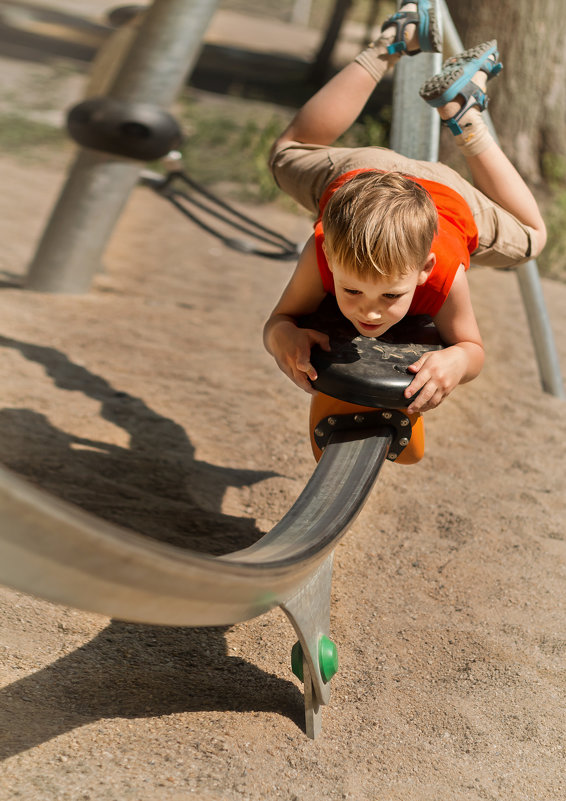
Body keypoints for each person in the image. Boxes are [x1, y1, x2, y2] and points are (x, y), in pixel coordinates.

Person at [263, 0, 547, 414]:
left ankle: (426, 79)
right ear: (328, 254)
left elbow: (472, 349)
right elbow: (278, 322)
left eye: (392, 294)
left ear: (425, 269)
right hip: (359, 175)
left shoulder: (446, 274)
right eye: (353, 289)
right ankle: (448, 97)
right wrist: (282, 338)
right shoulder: (324, 247)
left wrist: (459, 360)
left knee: (534, 239)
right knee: (286, 151)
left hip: (442, 192)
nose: (371, 311)